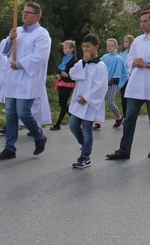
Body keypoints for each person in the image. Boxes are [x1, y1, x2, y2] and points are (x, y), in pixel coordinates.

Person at [106, 11, 150, 160]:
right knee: (129, 118)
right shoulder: (138, 41)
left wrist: (147, 64)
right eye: (141, 21)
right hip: (136, 85)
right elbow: (129, 60)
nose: (142, 24)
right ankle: (124, 149)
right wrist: (134, 63)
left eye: (145, 21)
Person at [0, 2, 51, 160]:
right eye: (23, 12)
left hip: (28, 80)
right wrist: (10, 39)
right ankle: (9, 147)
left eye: (28, 13)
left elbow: (40, 56)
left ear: (37, 16)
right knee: (11, 113)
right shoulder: (17, 30)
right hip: (13, 80)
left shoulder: (42, 34)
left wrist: (19, 64)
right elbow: (4, 51)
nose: (24, 15)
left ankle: (39, 136)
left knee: (24, 113)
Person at [68, 34, 109, 169]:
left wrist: (86, 98)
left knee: (86, 129)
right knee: (73, 125)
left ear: (96, 47)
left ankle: (85, 156)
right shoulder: (81, 63)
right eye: (83, 47)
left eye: (88, 47)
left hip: (89, 102)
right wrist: (83, 63)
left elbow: (101, 86)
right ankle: (85, 145)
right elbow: (73, 74)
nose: (85, 50)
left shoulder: (101, 66)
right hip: (78, 101)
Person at [99, 38, 129, 130]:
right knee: (98, 103)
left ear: (116, 46)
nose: (109, 47)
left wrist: (111, 81)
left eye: (112, 45)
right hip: (103, 83)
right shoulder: (104, 57)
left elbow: (118, 72)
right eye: (108, 45)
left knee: (110, 103)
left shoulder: (118, 58)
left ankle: (119, 117)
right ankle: (97, 122)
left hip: (112, 83)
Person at [50, 40, 78, 130]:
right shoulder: (64, 58)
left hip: (68, 83)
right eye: (63, 48)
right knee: (62, 103)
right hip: (62, 82)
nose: (64, 50)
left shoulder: (74, 60)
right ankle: (76, 117)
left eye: (66, 48)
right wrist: (58, 75)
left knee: (63, 103)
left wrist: (68, 75)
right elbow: (60, 68)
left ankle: (58, 124)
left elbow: (75, 73)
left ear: (72, 49)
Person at [118, 35, 134, 119]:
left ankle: (128, 115)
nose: (124, 43)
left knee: (128, 97)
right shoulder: (121, 53)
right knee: (123, 97)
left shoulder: (132, 53)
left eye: (127, 41)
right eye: (124, 41)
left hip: (129, 77)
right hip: (122, 78)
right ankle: (125, 115)